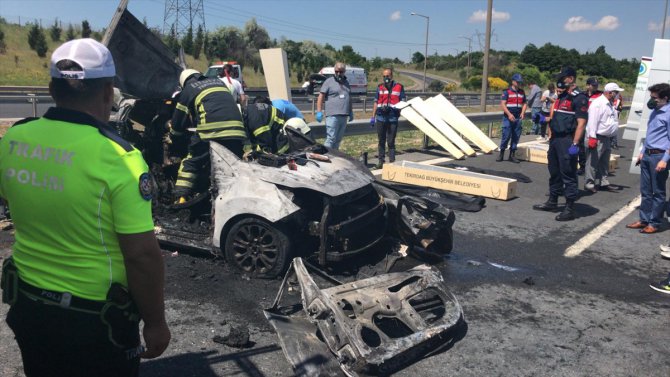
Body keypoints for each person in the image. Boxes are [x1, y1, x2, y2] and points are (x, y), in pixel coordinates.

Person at [0, 38, 170, 376]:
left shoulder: (13, 140)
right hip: (94, 322)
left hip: (28, 307)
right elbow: (141, 256)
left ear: (50, 87)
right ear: (109, 92)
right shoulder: (120, 158)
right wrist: (155, 323)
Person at [171, 68, 246, 201]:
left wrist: (175, 137)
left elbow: (178, 122)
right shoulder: (219, 82)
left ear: (184, 82)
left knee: (192, 161)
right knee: (233, 163)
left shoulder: (189, 89)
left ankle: (181, 197)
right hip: (237, 130)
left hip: (211, 131)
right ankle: (238, 195)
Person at [533, 67, 589, 221]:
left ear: (570, 79)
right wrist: (543, 119)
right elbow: (554, 118)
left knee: (568, 174)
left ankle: (569, 208)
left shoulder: (579, 98)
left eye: (562, 78)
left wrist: (575, 144)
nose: (559, 80)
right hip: (555, 139)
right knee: (554, 172)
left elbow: (581, 123)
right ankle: (552, 201)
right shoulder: (561, 97)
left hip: (567, 140)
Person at [626, 83, 670, 234]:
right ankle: (644, 219)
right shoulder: (655, 111)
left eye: (654, 98)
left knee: (658, 192)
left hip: (659, 156)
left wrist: (665, 159)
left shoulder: (669, 113)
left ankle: (654, 223)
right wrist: (642, 151)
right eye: (651, 97)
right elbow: (650, 134)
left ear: (665, 98)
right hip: (647, 154)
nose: (651, 100)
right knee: (645, 190)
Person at [584, 82, 623, 192]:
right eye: (616, 92)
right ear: (610, 92)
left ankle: (603, 182)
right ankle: (589, 184)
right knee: (592, 162)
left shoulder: (609, 103)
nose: (618, 94)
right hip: (597, 136)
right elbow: (592, 121)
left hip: (606, 137)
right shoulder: (598, 103)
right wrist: (592, 137)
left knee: (604, 162)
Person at [371, 67, 406, 169]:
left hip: (392, 118)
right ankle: (381, 162)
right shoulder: (380, 87)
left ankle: (392, 162)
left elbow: (403, 102)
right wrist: (373, 116)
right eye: (384, 76)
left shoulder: (399, 87)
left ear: (392, 76)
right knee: (381, 141)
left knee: (391, 141)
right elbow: (375, 102)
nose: (386, 78)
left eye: (388, 76)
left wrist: (398, 112)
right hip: (381, 118)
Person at [316, 62, 353, 150]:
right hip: (332, 116)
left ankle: (335, 157)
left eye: (341, 72)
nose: (338, 73)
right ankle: (326, 156)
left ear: (344, 71)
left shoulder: (346, 82)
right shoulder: (328, 82)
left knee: (338, 140)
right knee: (331, 138)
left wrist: (351, 111)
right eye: (337, 71)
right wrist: (319, 111)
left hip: (344, 115)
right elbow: (321, 97)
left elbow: (349, 98)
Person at [496, 73, 527, 163]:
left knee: (516, 136)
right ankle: (501, 154)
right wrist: (509, 114)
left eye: (520, 82)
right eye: (517, 82)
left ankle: (512, 155)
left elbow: (525, 103)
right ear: (513, 81)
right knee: (506, 135)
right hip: (508, 117)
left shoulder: (522, 92)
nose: (519, 83)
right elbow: (503, 104)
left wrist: (522, 112)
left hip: (518, 117)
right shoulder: (507, 92)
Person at [578, 77, 603, 175]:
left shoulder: (600, 95)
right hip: (582, 122)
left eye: (596, 85)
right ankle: (582, 166)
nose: (595, 87)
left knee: (593, 146)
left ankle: (593, 167)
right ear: (588, 86)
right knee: (580, 145)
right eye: (593, 85)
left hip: (594, 124)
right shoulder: (582, 95)